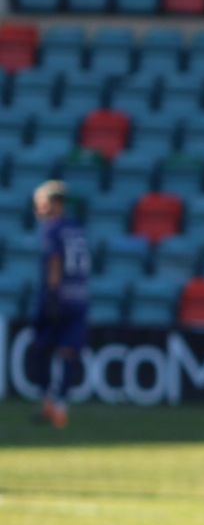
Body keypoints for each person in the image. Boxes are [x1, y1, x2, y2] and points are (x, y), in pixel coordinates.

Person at [27, 181, 90, 429]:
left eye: (41, 204)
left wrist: (52, 295)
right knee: (67, 354)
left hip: (58, 298)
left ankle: (47, 404)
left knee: (41, 351)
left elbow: (54, 261)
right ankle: (61, 409)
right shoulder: (77, 229)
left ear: (55, 204)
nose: (38, 210)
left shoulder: (52, 230)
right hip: (79, 298)